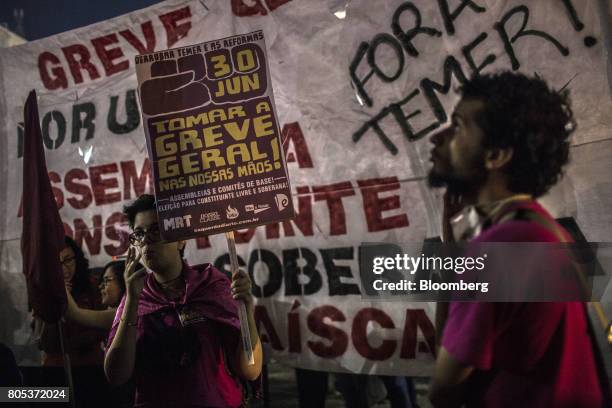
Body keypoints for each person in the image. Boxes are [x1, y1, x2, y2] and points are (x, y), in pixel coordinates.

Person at [426, 71, 604, 407]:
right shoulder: (540, 228)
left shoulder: (503, 246)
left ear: (496, 156)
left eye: (459, 126)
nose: (439, 137)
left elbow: (444, 390)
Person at [104, 194, 263, 407]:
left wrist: (247, 310)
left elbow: (250, 370)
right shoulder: (134, 297)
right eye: (139, 234)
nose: (146, 240)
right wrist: (132, 300)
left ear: (181, 240)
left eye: (156, 230)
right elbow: (116, 375)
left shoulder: (211, 286)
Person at [35, 235, 110, 407]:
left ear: (77, 259)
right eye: (57, 263)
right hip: (56, 370)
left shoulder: (93, 286)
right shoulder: (45, 292)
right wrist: (55, 304)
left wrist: (72, 343)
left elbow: (104, 326)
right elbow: (45, 342)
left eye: (68, 260)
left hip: (90, 367)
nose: (63, 268)